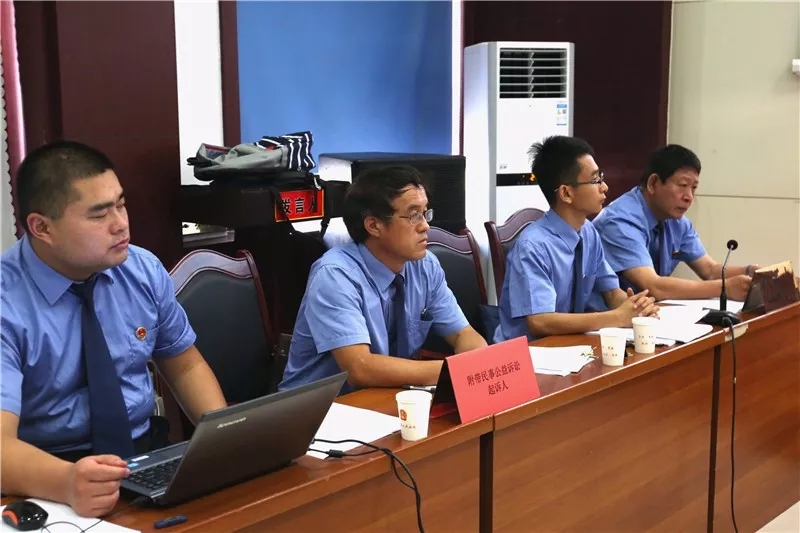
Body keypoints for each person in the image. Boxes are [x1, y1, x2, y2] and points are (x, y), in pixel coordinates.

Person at [1, 141, 227, 517]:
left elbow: (186, 365)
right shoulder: (7, 303)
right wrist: (66, 481)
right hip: (49, 471)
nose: (120, 224)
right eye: (99, 214)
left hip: (143, 455)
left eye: (121, 204)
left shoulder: (140, 269)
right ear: (42, 227)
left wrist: (222, 438)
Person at [279, 165, 487, 394]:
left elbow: (463, 334)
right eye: (413, 215)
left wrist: (478, 365)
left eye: (425, 213)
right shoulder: (335, 275)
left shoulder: (425, 266)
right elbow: (360, 368)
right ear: (373, 225)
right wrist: (454, 372)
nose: (425, 225)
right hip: (320, 407)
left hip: (388, 395)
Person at [494, 136, 658, 343]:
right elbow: (540, 321)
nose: (604, 187)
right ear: (566, 193)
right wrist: (617, 317)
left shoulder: (588, 232)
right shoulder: (533, 246)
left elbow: (611, 292)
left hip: (570, 344)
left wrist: (636, 309)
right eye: (595, 180)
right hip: (529, 351)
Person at [591, 144, 755, 302]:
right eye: (683, 185)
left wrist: (752, 272)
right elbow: (653, 286)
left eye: (694, 188)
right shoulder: (619, 221)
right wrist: (724, 288)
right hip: (602, 316)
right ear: (653, 183)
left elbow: (710, 270)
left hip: (646, 312)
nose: (689, 197)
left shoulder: (677, 222)